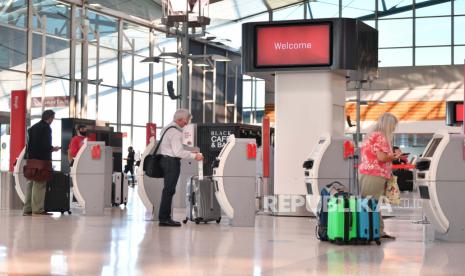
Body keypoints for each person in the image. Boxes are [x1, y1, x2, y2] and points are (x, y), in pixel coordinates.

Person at [358, 112, 401, 239]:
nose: (394, 128)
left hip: (368, 173)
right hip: (374, 174)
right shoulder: (380, 136)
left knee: (372, 203)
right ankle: (371, 231)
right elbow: (381, 157)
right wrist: (395, 156)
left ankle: (377, 230)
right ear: (388, 125)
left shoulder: (372, 135)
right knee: (371, 203)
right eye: (393, 125)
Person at [158, 109, 203, 227]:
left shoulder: (166, 128)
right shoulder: (175, 133)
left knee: (167, 190)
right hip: (172, 163)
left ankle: (164, 217)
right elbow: (178, 152)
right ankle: (164, 218)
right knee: (169, 190)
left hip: (165, 160)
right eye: (185, 121)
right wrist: (195, 156)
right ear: (179, 120)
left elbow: (174, 148)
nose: (186, 124)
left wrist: (189, 151)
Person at [23, 110, 60, 216]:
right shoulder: (46, 128)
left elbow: (29, 145)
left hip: (31, 160)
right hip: (41, 161)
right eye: (52, 118)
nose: (52, 120)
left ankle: (27, 209)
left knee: (30, 183)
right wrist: (53, 149)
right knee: (40, 184)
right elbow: (45, 145)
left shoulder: (32, 128)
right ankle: (37, 210)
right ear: (49, 117)